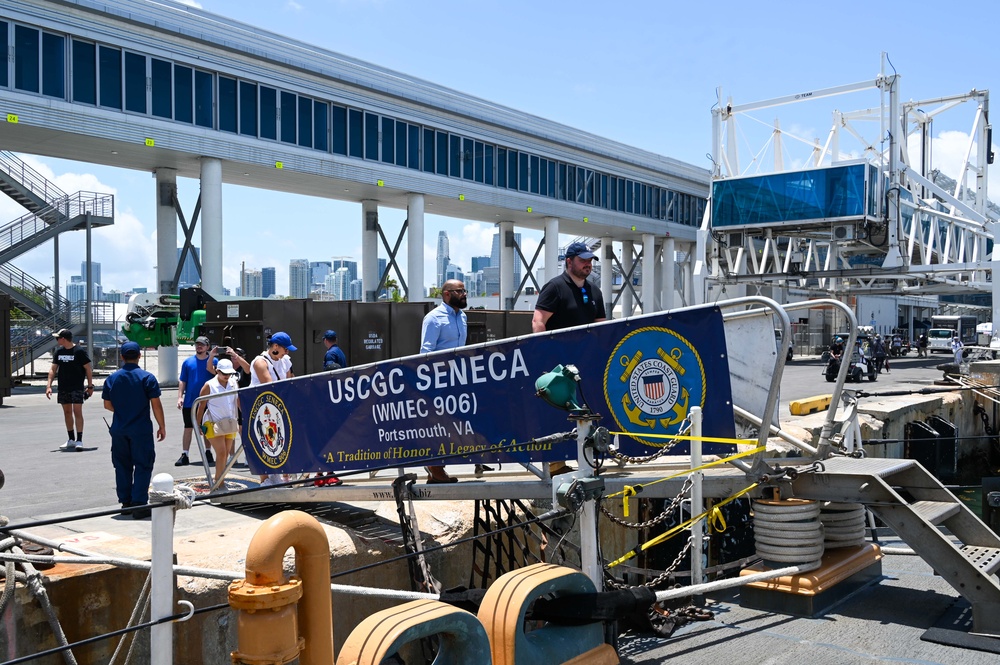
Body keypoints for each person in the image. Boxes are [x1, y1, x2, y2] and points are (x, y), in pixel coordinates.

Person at [532, 242, 606, 476]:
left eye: (590, 260)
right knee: (558, 411)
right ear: (569, 261)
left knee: (589, 409)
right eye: (583, 259)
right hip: (559, 364)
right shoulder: (555, 287)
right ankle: (556, 464)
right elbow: (538, 321)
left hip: (586, 363)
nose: (588, 264)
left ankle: (590, 458)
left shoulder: (595, 291)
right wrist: (545, 353)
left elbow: (600, 326)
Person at [101, 342, 166, 519]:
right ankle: (139, 503)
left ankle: (126, 503)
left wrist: (123, 410)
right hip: (141, 429)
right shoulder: (147, 378)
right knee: (143, 464)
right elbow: (156, 405)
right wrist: (162, 425)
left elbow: (107, 405)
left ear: (122, 357)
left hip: (119, 429)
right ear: (139, 356)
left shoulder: (112, 378)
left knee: (122, 465)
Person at [419, 279, 470, 483]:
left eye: (464, 290)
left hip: (457, 380)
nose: (464, 294)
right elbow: (425, 353)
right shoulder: (433, 318)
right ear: (447, 294)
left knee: (452, 426)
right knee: (438, 425)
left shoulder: (463, 317)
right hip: (438, 382)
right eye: (460, 291)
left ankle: (437, 469)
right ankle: (435, 467)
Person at [45, 329, 95, 451]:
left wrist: (90, 386)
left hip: (77, 387)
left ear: (64, 338)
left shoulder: (79, 351)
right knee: (67, 412)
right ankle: (71, 439)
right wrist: (48, 386)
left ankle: (79, 440)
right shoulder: (59, 352)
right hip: (63, 387)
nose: (57, 340)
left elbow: (88, 369)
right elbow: (53, 369)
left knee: (77, 412)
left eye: (58, 338)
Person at [195, 358, 240, 489]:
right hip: (212, 422)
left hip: (230, 422)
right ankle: (219, 483)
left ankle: (220, 479)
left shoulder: (233, 382)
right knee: (221, 452)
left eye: (229, 373)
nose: (226, 376)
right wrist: (197, 425)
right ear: (217, 371)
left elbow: (237, 401)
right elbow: (201, 406)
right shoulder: (209, 385)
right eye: (224, 373)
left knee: (225, 454)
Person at [176, 336, 218, 467]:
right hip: (190, 402)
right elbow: (183, 380)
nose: (199, 346)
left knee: (206, 427)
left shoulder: (214, 361)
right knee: (188, 427)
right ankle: (185, 454)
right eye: (197, 344)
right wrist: (180, 397)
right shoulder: (188, 362)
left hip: (208, 402)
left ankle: (207, 452)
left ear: (207, 347)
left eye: (202, 345)